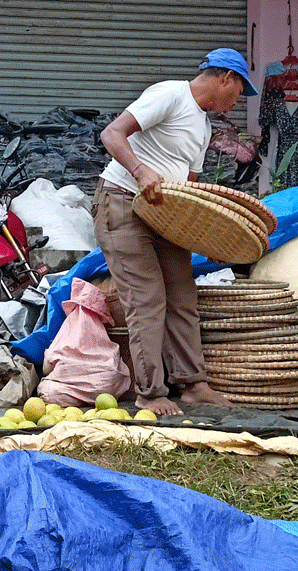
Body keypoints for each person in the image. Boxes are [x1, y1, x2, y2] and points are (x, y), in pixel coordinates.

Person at [94, 49, 258, 416]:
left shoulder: (203, 126)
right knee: (147, 300)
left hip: (165, 214)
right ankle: (150, 393)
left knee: (183, 295)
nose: (237, 102)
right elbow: (112, 133)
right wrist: (139, 170)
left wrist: (209, 238)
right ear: (226, 78)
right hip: (121, 203)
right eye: (238, 92)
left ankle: (194, 384)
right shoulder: (170, 94)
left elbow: (191, 193)